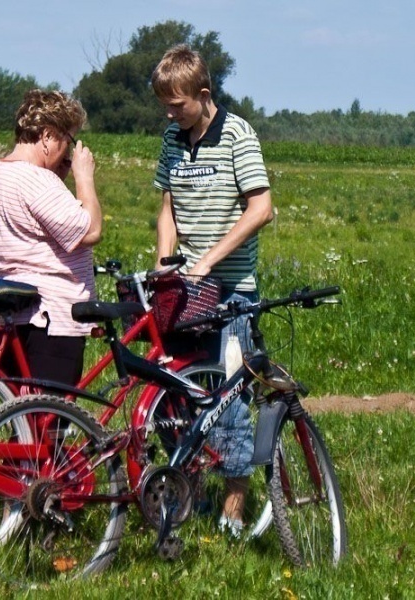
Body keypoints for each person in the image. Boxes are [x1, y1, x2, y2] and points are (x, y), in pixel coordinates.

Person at [151, 45, 274, 536]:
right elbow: (168, 208)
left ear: (203, 96)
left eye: (177, 104)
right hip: (186, 289)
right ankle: (192, 491)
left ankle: (233, 511)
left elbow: (261, 208)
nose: (169, 113)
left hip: (231, 292)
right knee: (178, 397)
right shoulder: (171, 138)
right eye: (164, 103)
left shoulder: (238, 135)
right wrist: (166, 265)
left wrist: (208, 260)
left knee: (229, 400)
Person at [0, 89, 101, 386]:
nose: (69, 153)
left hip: (12, 314)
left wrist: (57, 179)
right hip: (51, 316)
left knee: (22, 420)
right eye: (68, 141)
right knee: (48, 423)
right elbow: (91, 230)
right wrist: (84, 178)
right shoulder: (36, 179)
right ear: (47, 136)